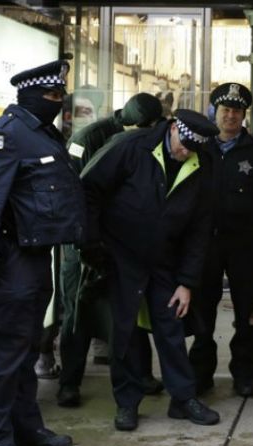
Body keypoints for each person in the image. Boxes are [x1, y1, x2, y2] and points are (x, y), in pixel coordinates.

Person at [0, 60, 84, 446]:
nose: (58, 102)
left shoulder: (38, 134)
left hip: (32, 259)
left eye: (61, 95)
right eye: (51, 96)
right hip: (5, 263)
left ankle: (25, 426)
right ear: (28, 95)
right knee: (1, 357)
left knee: (26, 350)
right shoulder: (5, 137)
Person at [81, 109, 221, 431]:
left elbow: (200, 227)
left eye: (192, 148)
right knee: (125, 332)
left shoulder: (202, 163)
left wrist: (186, 282)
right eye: (183, 143)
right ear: (173, 128)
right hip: (121, 255)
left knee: (170, 326)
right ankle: (127, 403)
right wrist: (91, 243)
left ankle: (183, 399)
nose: (185, 151)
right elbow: (89, 188)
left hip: (165, 259)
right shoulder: (132, 147)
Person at [57, 93, 166, 407]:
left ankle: (140, 374)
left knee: (129, 310)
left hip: (121, 240)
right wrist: (86, 242)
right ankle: (69, 382)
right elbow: (73, 190)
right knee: (78, 312)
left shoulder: (141, 137)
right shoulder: (88, 138)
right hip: (84, 241)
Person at [187, 82, 253, 398]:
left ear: (244, 115)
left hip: (246, 245)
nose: (231, 116)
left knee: (247, 314)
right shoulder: (199, 149)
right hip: (205, 246)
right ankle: (200, 373)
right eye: (225, 110)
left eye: (237, 111)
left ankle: (245, 372)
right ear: (215, 112)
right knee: (202, 312)